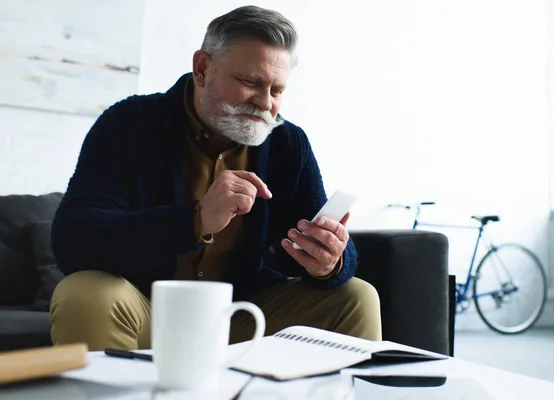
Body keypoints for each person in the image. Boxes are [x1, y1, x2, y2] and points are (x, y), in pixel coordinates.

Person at [50, 5, 382, 351]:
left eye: (277, 90)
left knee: (357, 296)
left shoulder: (287, 142)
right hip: (145, 311)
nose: (266, 103)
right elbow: (73, 239)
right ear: (203, 69)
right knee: (84, 293)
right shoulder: (130, 124)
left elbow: (306, 243)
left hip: (242, 316)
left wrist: (331, 262)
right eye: (250, 82)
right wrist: (195, 220)